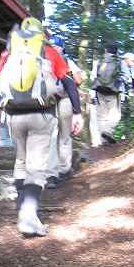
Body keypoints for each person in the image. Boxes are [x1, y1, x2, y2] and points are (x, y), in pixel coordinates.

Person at [0, 18, 83, 237]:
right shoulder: (48, 51)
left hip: (13, 117)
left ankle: (23, 209)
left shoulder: (9, 52)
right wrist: (76, 112)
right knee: (36, 167)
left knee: (21, 161)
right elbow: (69, 83)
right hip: (41, 115)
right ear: (41, 34)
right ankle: (28, 217)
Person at [45, 34, 83, 188]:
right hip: (66, 99)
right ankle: (64, 169)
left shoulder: (44, 59)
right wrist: (77, 111)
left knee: (51, 136)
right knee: (65, 136)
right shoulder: (67, 60)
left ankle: (51, 175)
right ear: (62, 47)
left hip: (48, 100)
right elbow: (78, 81)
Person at [90, 43, 131, 144]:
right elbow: (127, 76)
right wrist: (118, 83)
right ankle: (108, 131)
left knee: (101, 115)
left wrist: (92, 93)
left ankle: (103, 141)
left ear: (106, 51)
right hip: (113, 91)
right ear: (116, 52)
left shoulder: (99, 61)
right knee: (115, 115)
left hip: (99, 90)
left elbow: (93, 77)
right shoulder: (120, 62)